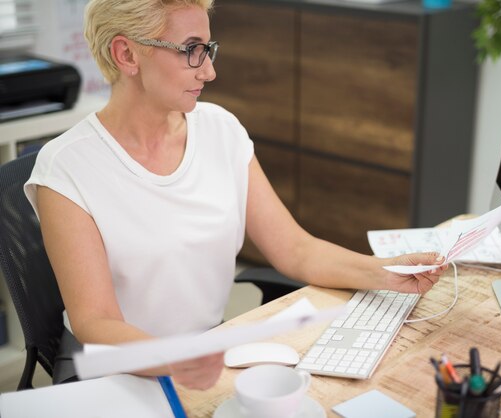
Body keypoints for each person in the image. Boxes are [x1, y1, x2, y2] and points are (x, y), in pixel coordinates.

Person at [24, 0, 446, 391]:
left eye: (208, 49)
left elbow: (295, 249)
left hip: (206, 355)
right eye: (191, 50)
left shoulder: (220, 130)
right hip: (114, 373)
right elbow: (95, 321)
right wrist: (177, 358)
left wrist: (387, 273)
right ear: (127, 54)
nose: (208, 71)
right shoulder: (66, 167)